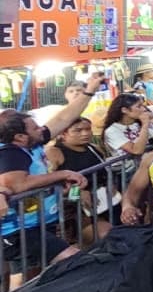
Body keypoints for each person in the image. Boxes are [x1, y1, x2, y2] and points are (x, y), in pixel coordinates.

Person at [0, 112, 89, 276]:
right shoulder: (11, 152)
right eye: (35, 127)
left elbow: (28, 186)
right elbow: (18, 184)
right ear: (20, 136)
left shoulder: (27, 149)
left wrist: (54, 188)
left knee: (26, 276)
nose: (41, 129)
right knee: (73, 259)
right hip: (20, 229)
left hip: (35, 221)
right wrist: (63, 174)